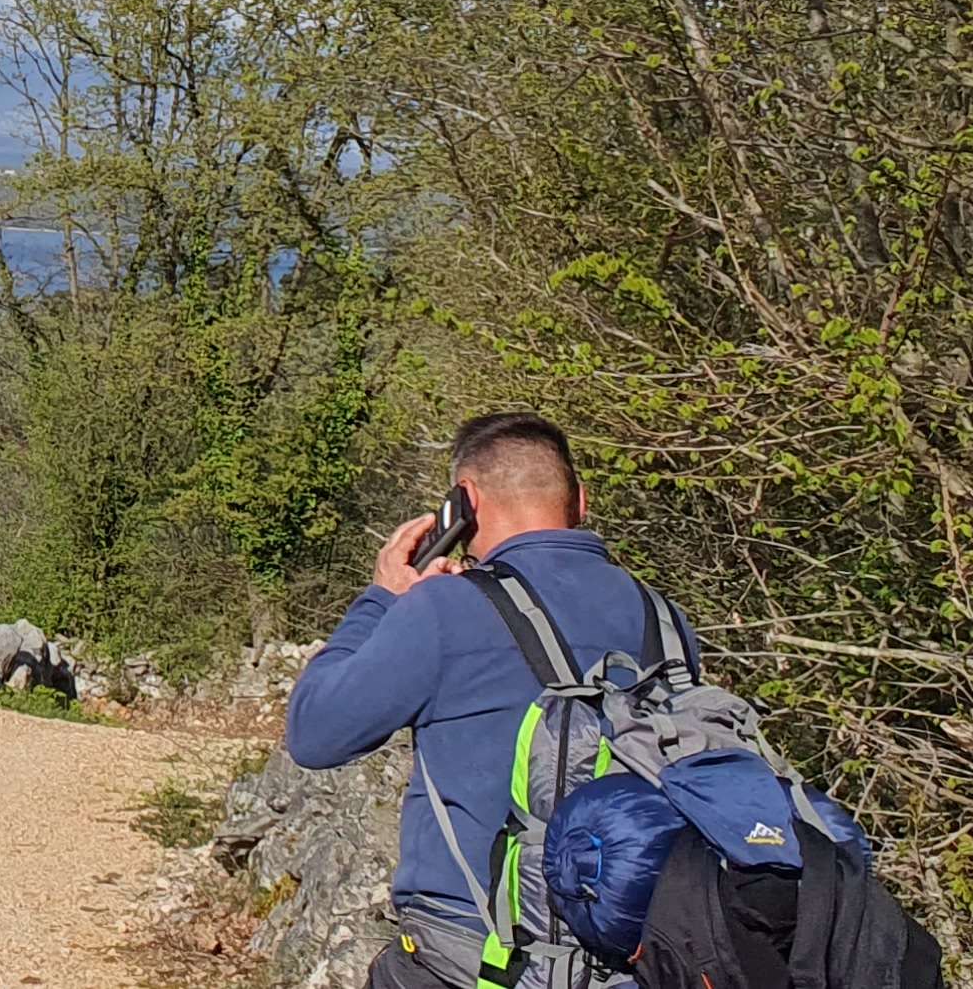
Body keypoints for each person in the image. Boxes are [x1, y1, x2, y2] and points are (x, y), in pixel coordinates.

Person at [286, 412, 681, 988]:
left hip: (472, 951)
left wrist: (383, 597)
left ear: (464, 500)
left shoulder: (444, 609)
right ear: (582, 502)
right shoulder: (665, 621)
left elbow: (314, 733)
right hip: (625, 955)